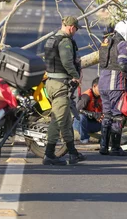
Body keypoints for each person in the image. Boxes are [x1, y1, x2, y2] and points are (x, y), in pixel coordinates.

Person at [43, 16, 86, 165]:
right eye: (75, 29)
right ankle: (49, 154)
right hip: (60, 84)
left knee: (66, 120)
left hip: (52, 82)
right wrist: (76, 76)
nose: (75, 32)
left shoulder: (52, 39)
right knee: (58, 119)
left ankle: (73, 153)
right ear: (71, 27)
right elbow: (67, 61)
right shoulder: (65, 41)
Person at [98, 20, 127, 156]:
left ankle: (103, 146)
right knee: (118, 115)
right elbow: (123, 64)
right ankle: (115, 147)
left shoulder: (107, 42)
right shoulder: (123, 44)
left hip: (103, 82)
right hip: (115, 83)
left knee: (107, 114)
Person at [73, 77, 103, 144]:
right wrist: (93, 115)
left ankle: (105, 139)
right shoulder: (86, 96)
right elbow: (77, 110)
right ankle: (84, 138)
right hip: (80, 123)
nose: (102, 90)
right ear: (94, 86)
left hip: (94, 124)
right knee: (81, 117)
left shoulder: (103, 97)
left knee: (108, 120)